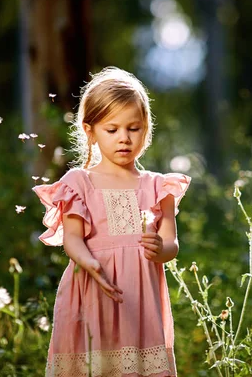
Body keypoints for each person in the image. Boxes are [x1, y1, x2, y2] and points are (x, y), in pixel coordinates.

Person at [33, 66, 190, 377]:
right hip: (93, 292)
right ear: (90, 131)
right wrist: (88, 262)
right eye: (112, 129)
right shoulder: (79, 183)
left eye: (134, 128)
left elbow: (172, 243)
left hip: (140, 303)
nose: (124, 139)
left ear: (146, 129)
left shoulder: (159, 188)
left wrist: (161, 248)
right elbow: (73, 238)